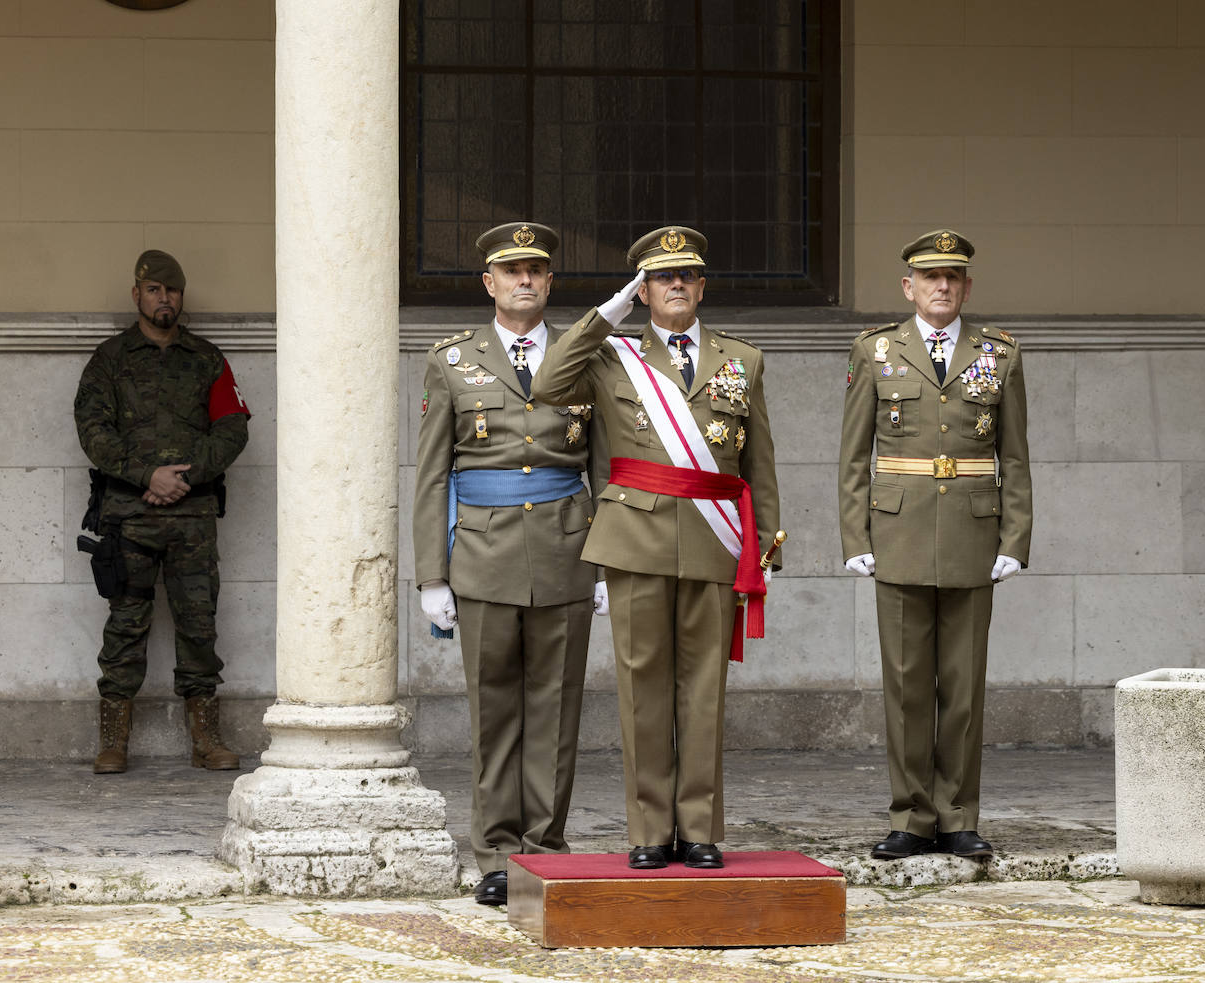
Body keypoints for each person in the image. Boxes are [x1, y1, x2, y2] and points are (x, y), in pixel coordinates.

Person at [533, 226, 781, 870]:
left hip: (714, 539)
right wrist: (609, 311)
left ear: (702, 286)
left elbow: (759, 463)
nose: (677, 285)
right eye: (663, 277)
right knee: (642, 688)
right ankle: (649, 829)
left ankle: (697, 828)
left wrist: (764, 551)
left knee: (704, 690)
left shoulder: (741, 360)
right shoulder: (613, 355)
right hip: (636, 538)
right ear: (643, 290)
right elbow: (548, 383)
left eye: (688, 276)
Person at [412, 222, 608, 906]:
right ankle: (497, 848)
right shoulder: (452, 360)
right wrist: (431, 575)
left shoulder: (587, 357)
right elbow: (432, 472)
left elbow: (605, 467)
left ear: (550, 282)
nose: (525, 279)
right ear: (488, 283)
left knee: (556, 707)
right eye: (512, 270)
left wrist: (608, 562)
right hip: (485, 554)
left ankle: (546, 846)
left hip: (566, 547)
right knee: (494, 709)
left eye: (537, 269)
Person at [838, 230, 1032, 860]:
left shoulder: (1000, 353)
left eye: (953, 277)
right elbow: (852, 455)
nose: (942, 286)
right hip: (898, 531)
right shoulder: (876, 351)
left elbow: (1017, 455)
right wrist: (854, 535)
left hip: (974, 532)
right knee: (905, 683)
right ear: (909, 287)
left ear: (967, 286)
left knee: (964, 684)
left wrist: (1015, 537)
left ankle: (958, 815)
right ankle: (910, 816)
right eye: (931, 277)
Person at [74, 249, 251, 775]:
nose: (164, 299)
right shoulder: (109, 360)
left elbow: (233, 427)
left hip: (192, 518)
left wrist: (186, 476)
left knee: (199, 625)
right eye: (154, 290)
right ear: (137, 295)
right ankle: (113, 742)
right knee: (125, 625)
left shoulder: (206, 359)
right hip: (127, 519)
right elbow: (92, 432)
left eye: (171, 291)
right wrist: (146, 475)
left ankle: (206, 739)